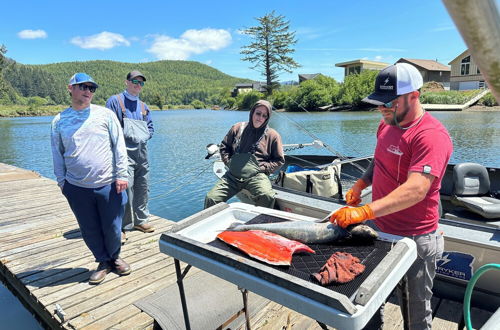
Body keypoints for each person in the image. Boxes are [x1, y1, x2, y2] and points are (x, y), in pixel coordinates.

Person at [329, 63, 453, 329]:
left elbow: (417, 189)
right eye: (379, 103)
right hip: (378, 229)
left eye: (389, 103)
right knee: (367, 295)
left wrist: (363, 212)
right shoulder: (386, 124)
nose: (382, 108)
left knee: (416, 312)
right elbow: (379, 161)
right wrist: (361, 183)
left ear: (414, 96)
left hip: (416, 238)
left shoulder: (431, 135)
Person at [51, 72, 132, 285]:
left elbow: (119, 146)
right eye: (83, 87)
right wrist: (62, 182)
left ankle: (115, 257)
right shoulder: (59, 121)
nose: (88, 91)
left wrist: (122, 174)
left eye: (92, 88)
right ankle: (102, 261)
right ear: (70, 88)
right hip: (76, 186)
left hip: (108, 184)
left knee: (113, 227)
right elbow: (57, 152)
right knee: (89, 228)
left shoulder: (105, 115)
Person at [205, 100, 285, 209]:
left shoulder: (273, 135)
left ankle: (259, 224)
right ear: (252, 112)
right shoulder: (237, 128)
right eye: (258, 113)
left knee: (267, 196)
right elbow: (224, 147)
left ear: (267, 118)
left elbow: (279, 160)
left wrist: (261, 168)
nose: (260, 117)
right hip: (233, 176)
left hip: (257, 176)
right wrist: (229, 163)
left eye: (264, 115)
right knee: (211, 198)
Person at [106, 71, 154, 242]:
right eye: (134, 81)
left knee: (143, 187)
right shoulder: (115, 101)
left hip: (142, 153)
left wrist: (145, 136)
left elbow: (150, 128)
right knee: (125, 188)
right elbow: (109, 128)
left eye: (141, 83)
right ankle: (123, 226)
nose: (137, 85)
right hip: (123, 153)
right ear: (126, 82)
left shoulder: (143, 106)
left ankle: (141, 220)